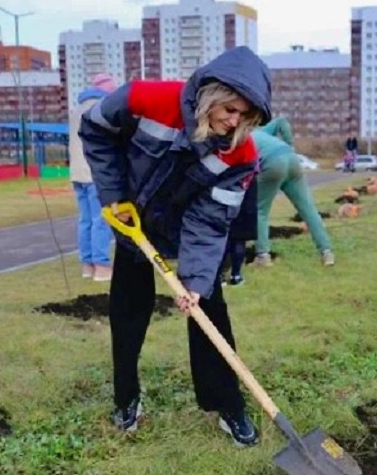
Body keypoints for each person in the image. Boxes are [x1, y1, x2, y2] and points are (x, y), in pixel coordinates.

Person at [79, 46, 271, 445]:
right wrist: (113, 195)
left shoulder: (241, 153)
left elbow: (212, 220)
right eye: (230, 110)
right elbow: (95, 130)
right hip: (132, 214)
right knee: (128, 308)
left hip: (187, 224)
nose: (234, 122)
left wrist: (197, 281)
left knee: (208, 306)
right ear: (212, 96)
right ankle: (126, 398)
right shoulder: (146, 99)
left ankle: (227, 405)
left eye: (245, 116)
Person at [251, 117, 335, 267]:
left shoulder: (239, 137)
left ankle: (263, 256)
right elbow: (281, 122)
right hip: (291, 158)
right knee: (308, 208)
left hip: (272, 163)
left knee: (260, 210)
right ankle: (326, 252)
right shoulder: (261, 131)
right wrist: (289, 145)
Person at [68, 74, 117, 281]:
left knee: (86, 220)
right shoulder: (101, 110)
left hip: (77, 173)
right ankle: (102, 266)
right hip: (96, 173)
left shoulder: (76, 111)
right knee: (101, 220)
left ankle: (87, 265)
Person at [222, 177, 258, 287]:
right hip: (245, 202)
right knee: (239, 240)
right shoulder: (251, 165)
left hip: (226, 202)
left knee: (223, 240)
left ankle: (220, 275)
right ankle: (236, 275)